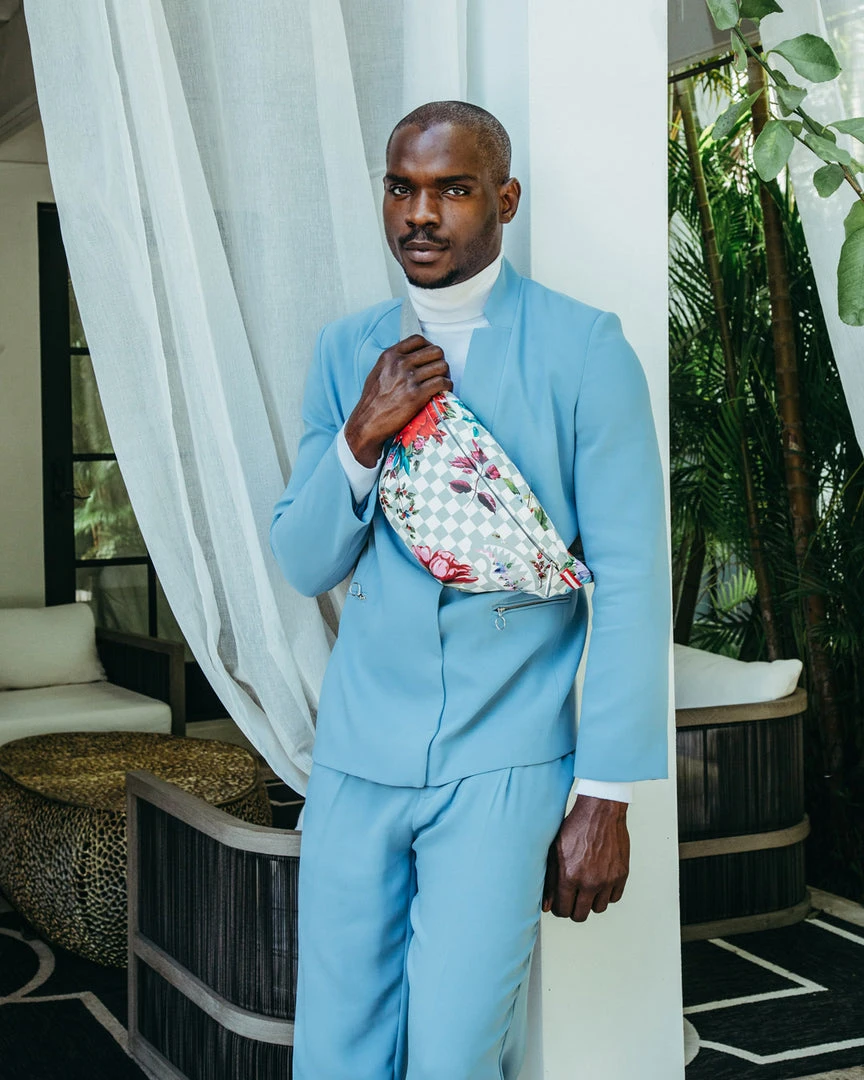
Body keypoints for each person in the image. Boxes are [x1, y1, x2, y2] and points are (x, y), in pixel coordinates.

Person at [270, 100, 669, 1080]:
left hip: (505, 756)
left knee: (455, 1054)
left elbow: (632, 580)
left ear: (505, 198)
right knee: (336, 1052)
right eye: (401, 188)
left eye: (451, 189)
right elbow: (304, 560)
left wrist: (605, 793)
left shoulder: (586, 349)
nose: (420, 213)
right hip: (358, 753)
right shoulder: (346, 350)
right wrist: (362, 434)